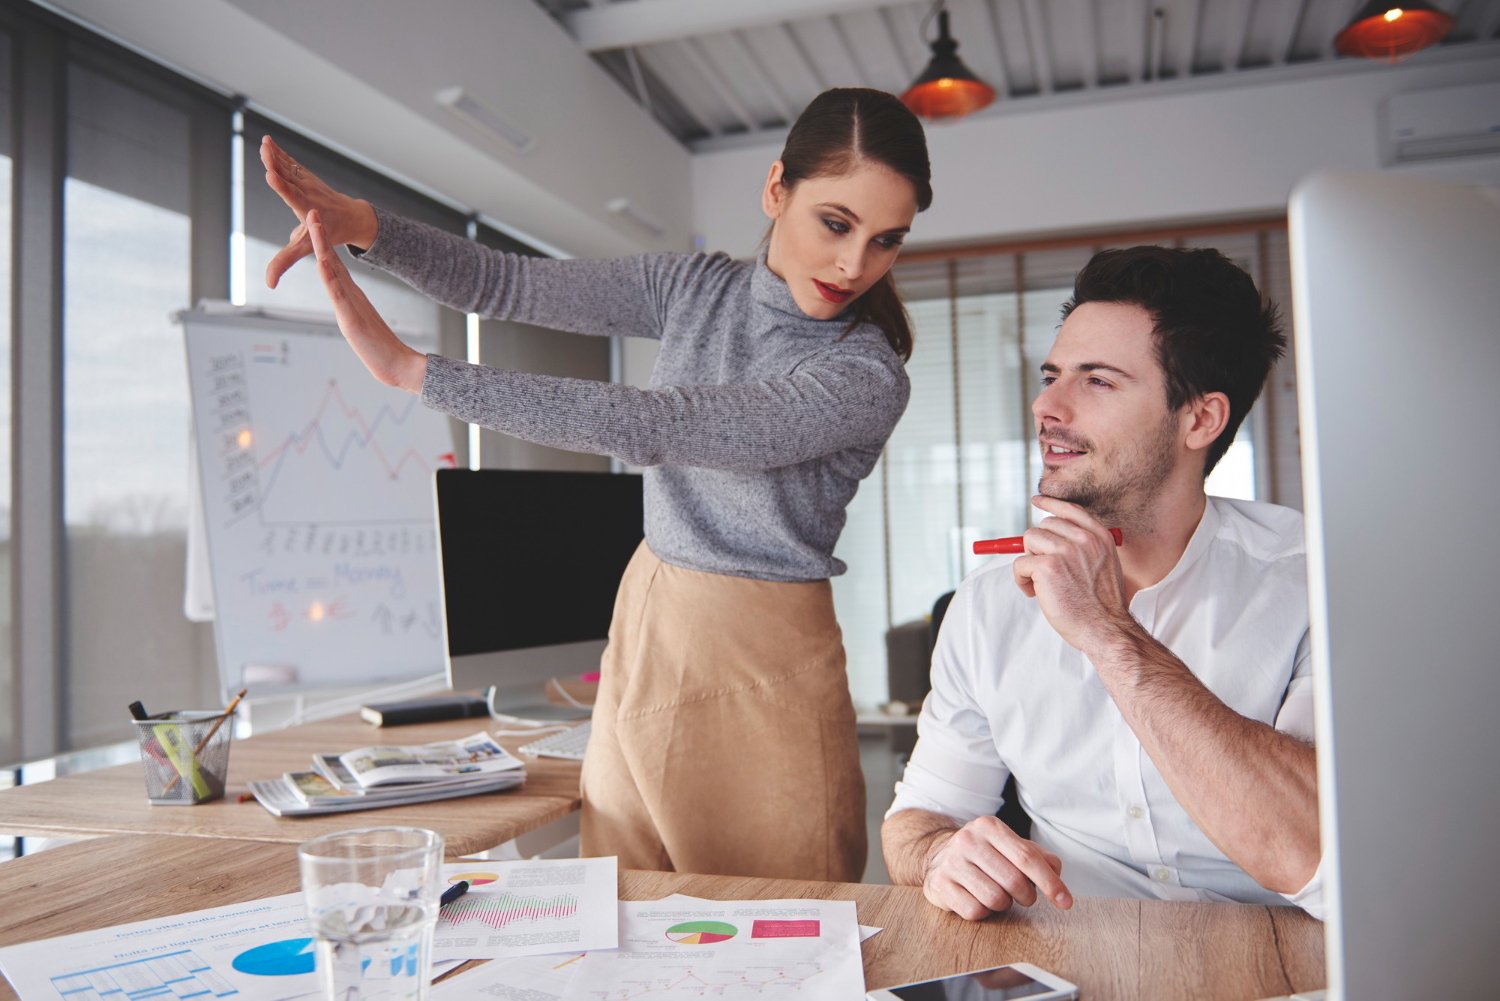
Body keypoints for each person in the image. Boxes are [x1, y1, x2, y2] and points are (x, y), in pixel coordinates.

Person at [260, 88, 931, 882]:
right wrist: (367, 227)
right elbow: (504, 284)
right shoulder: (695, 288)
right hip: (647, 616)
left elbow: (661, 424)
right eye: (836, 223)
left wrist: (419, 375)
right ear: (776, 188)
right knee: (617, 905)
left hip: (763, 661)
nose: (855, 264)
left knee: (782, 921)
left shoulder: (864, 375)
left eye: (886, 240)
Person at [881, 246, 1324, 919]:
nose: (1045, 405)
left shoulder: (1316, 582)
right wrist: (941, 855)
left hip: (1276, 955)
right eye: (1052, 375)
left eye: (1097, 381)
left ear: (1200, 419)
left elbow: (1312, 852)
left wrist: (1108, 632)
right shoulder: (988, 602)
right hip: (1071, 950)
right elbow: (919, 818)